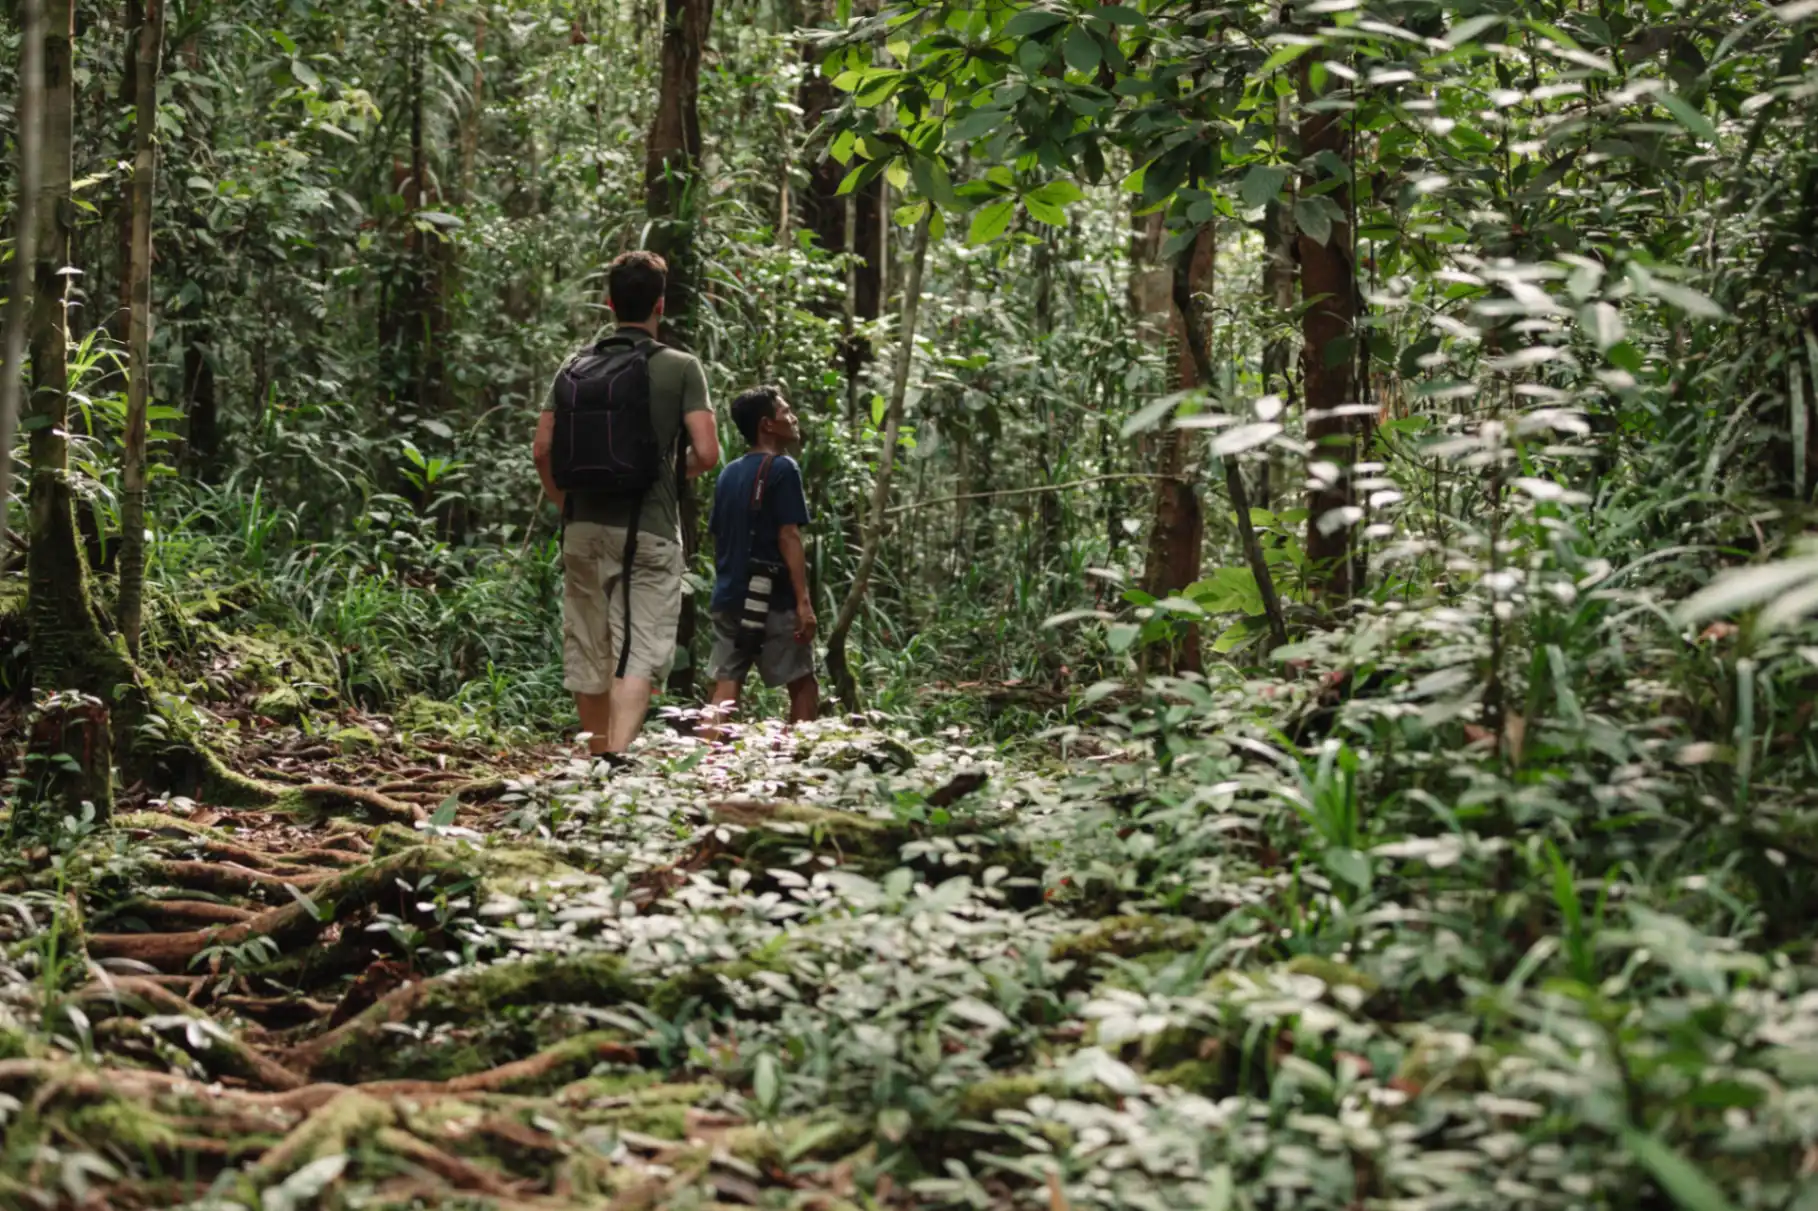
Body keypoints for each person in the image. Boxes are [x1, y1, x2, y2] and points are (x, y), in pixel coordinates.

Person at [532, 250, 719, 757]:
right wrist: (655, 476)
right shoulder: (681, 367)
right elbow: (707, 452)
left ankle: (596, 757)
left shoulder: (573, 367)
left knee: (588, 649)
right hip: (650, 528)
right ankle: (615, 759)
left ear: (609, 302)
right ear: (661, 304)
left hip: (581, 528)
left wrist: (564, 504)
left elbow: (543, 448)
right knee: (637, 653)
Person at [705, 386, 817, 729]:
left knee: (725, 688)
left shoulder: (728, 473)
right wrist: (803, 602)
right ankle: (798, 766)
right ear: (767, 425)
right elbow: (789, 535)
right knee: (802, 684)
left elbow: (719, 535)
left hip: (729, 596)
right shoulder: (784, 469)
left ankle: (707, 770)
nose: (793, 418)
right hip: (773, 600)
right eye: (786, 413)